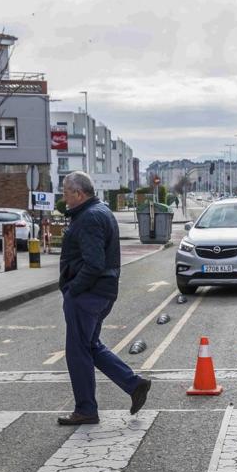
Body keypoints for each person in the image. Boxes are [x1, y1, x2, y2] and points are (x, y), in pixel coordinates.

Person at [57, 171, 151, 425]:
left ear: (79, 193)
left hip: (88, 295)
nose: (64, 198)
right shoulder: (99, 211)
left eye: (66, 193)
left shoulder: (89, 217)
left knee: (78, 352)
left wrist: (73, 289)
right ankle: (134, 385)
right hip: (100, 293)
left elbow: (94, 263)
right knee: (90, 346)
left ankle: (86, 409)